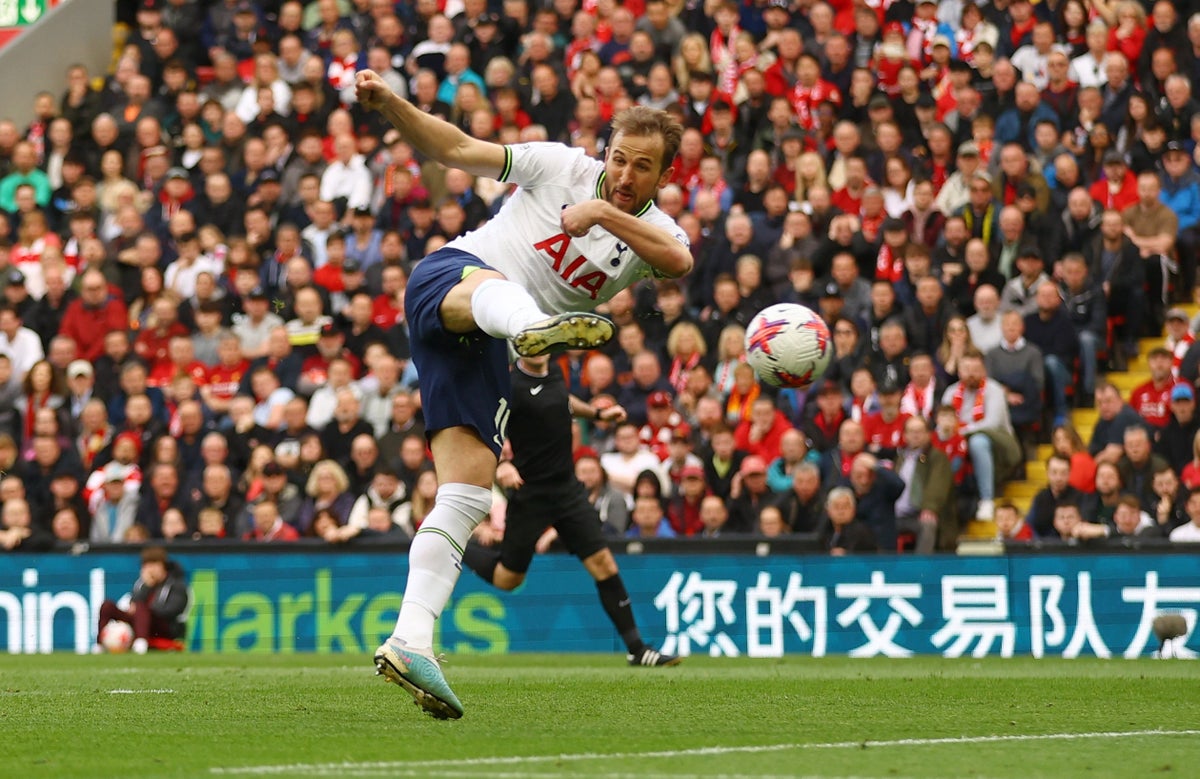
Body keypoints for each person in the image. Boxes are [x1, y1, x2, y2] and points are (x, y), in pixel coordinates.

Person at [355, 70, 691, 719]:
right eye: (619, 157)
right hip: (449, 280)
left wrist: (602, 214)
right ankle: (535, 325)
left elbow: (679, 262)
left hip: (482, 347)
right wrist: (393, 104)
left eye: (642, 167)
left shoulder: (648, 231)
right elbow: (456, 150)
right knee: (498, 288)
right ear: (605, 148)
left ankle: (410, 639)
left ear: (664, 175)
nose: (624, 174)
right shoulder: (559, 164)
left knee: (468, 492)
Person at [462, 353, 679, 667]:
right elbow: (483, 430)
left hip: (567, 491)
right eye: (533, 342)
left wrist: (596, 414)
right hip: (529, 493)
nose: (540, 349)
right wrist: (502, 465)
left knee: (603, 563)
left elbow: (561, 400)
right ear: (520, 347)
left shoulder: (554, 376)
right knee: (508, 579)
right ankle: (456, 549)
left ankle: (637, 649)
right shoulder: (508, 384)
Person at [94, 546, 190, 654]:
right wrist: (147, 587)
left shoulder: (176, 585)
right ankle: (99, 645)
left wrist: (146, 610)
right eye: (146, 565)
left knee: (141, 608)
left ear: (163, 566)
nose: (150, 569)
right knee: (107, 606)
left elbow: (172, 611)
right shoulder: (141, 584)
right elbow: (133, 603)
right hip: (139, 620)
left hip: (164, 626)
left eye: (154, 564)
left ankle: (141, 643)